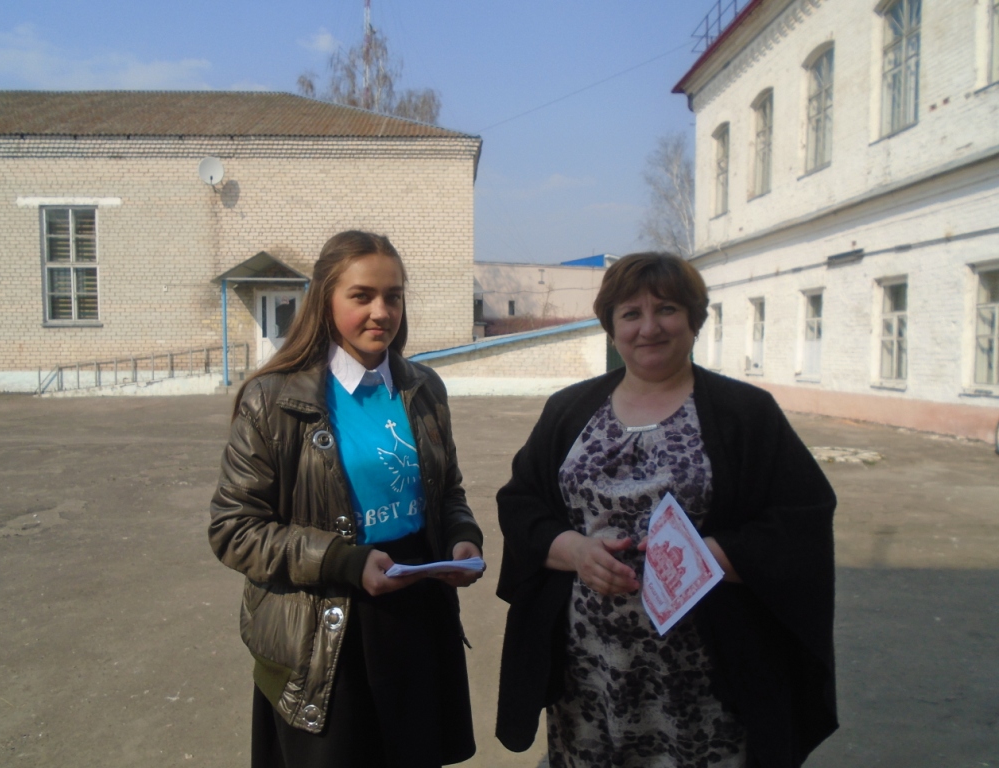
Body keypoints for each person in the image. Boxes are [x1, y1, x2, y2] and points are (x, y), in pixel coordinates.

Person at [495, 252, 837, 768]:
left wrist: (706, 557)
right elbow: (521, 503)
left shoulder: (745, 414)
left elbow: (802, 519)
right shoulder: (568, 410)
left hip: (706, 675)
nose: (649, 327)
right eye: (631, 313)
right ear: (611, 327)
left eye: (668, 309)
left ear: (694, 319)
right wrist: (576, 552)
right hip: (588, 671)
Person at [209, 230, 484, 768]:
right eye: (362, 296)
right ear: (325, 300)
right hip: (325, 630)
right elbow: (235, 529)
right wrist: (344, 561)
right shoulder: (273, 399)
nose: (382, 312)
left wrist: (460, 536)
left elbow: (447, 490)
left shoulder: (424, 388)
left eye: (393, 296)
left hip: (417, 617)